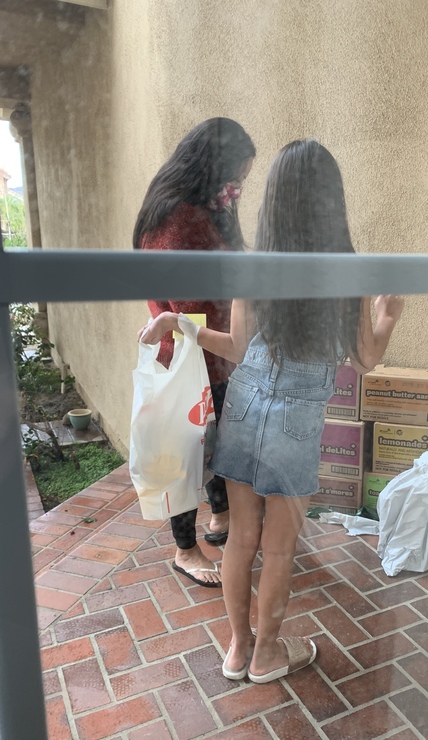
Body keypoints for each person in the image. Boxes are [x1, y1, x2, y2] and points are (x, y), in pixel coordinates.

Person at [141, 139, 404, 680]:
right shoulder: (345, 272)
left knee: (240, 537)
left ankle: (237, 650)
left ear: (273, 202)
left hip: (243, 411)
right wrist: (388, 314)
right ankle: (268, 655)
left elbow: (236, 348)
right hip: (295, 424)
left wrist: (179, 324)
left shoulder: (253, 265)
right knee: (279, 550)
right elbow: (368, 357)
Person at [134, 117, 255, 588]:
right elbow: (188, 304)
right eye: (237, 175)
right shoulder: (176, 217)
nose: (239, 187)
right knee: (186, 455)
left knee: (214, 445)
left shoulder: (201, 208)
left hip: (212, 354)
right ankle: (185, 549)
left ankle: (220, 518)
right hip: (189, 356)